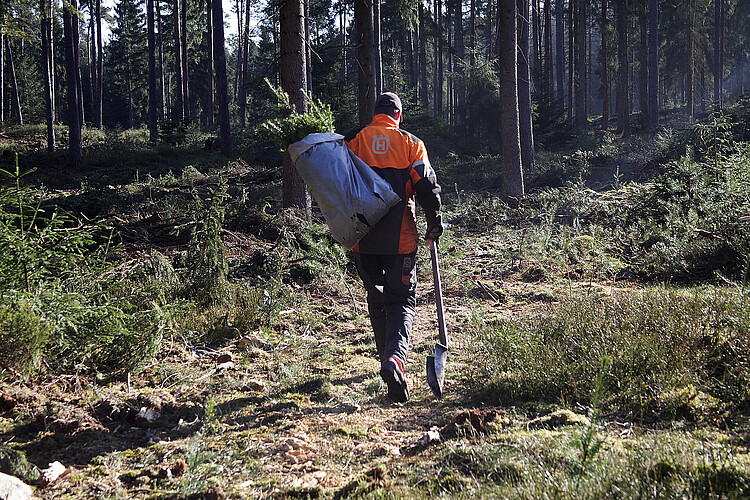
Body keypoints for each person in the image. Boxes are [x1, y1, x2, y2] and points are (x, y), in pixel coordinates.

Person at [345, 92, 442, 403]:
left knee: (377, 299)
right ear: (398, 116)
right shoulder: (411, 143)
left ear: (375, 113)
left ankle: (387, 364)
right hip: (400, 241)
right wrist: (434, 221)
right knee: (401, 301)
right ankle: (394, 361)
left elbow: (335, 181)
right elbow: (425, 184)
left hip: (362, 239)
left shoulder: (354, 139)